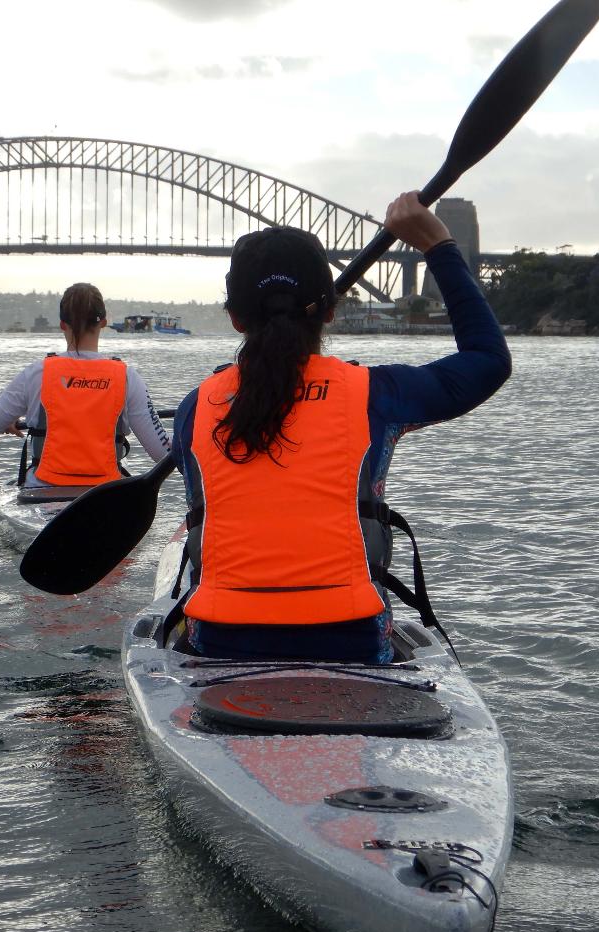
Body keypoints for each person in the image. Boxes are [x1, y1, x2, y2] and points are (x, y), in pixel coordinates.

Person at [171, 191, 512, 663]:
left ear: (234, 318)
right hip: (351, 640)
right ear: (330, 310)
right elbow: (488, 360)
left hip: (221, 642)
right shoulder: (376, 394)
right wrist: (438, 246)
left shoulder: (195, 409)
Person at [0, 282, 170, 485]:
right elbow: (164, 454)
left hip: (42, 494)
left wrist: (6, 419)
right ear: (103, 322)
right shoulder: (127, 378)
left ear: (63, 324)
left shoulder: (36, 374)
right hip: (105, 496)